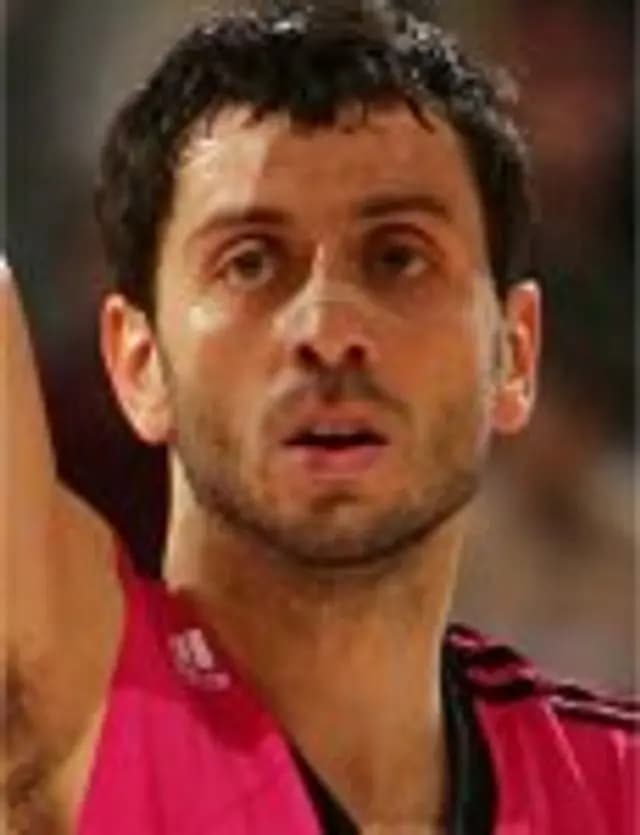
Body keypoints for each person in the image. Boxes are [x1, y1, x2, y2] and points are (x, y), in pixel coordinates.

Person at [2, 2, 637, 833]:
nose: (330, 330)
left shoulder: (618, 788)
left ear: (514, 354)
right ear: (137, 361)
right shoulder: (60, 700)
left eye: (399, 257)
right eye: (250, 262)